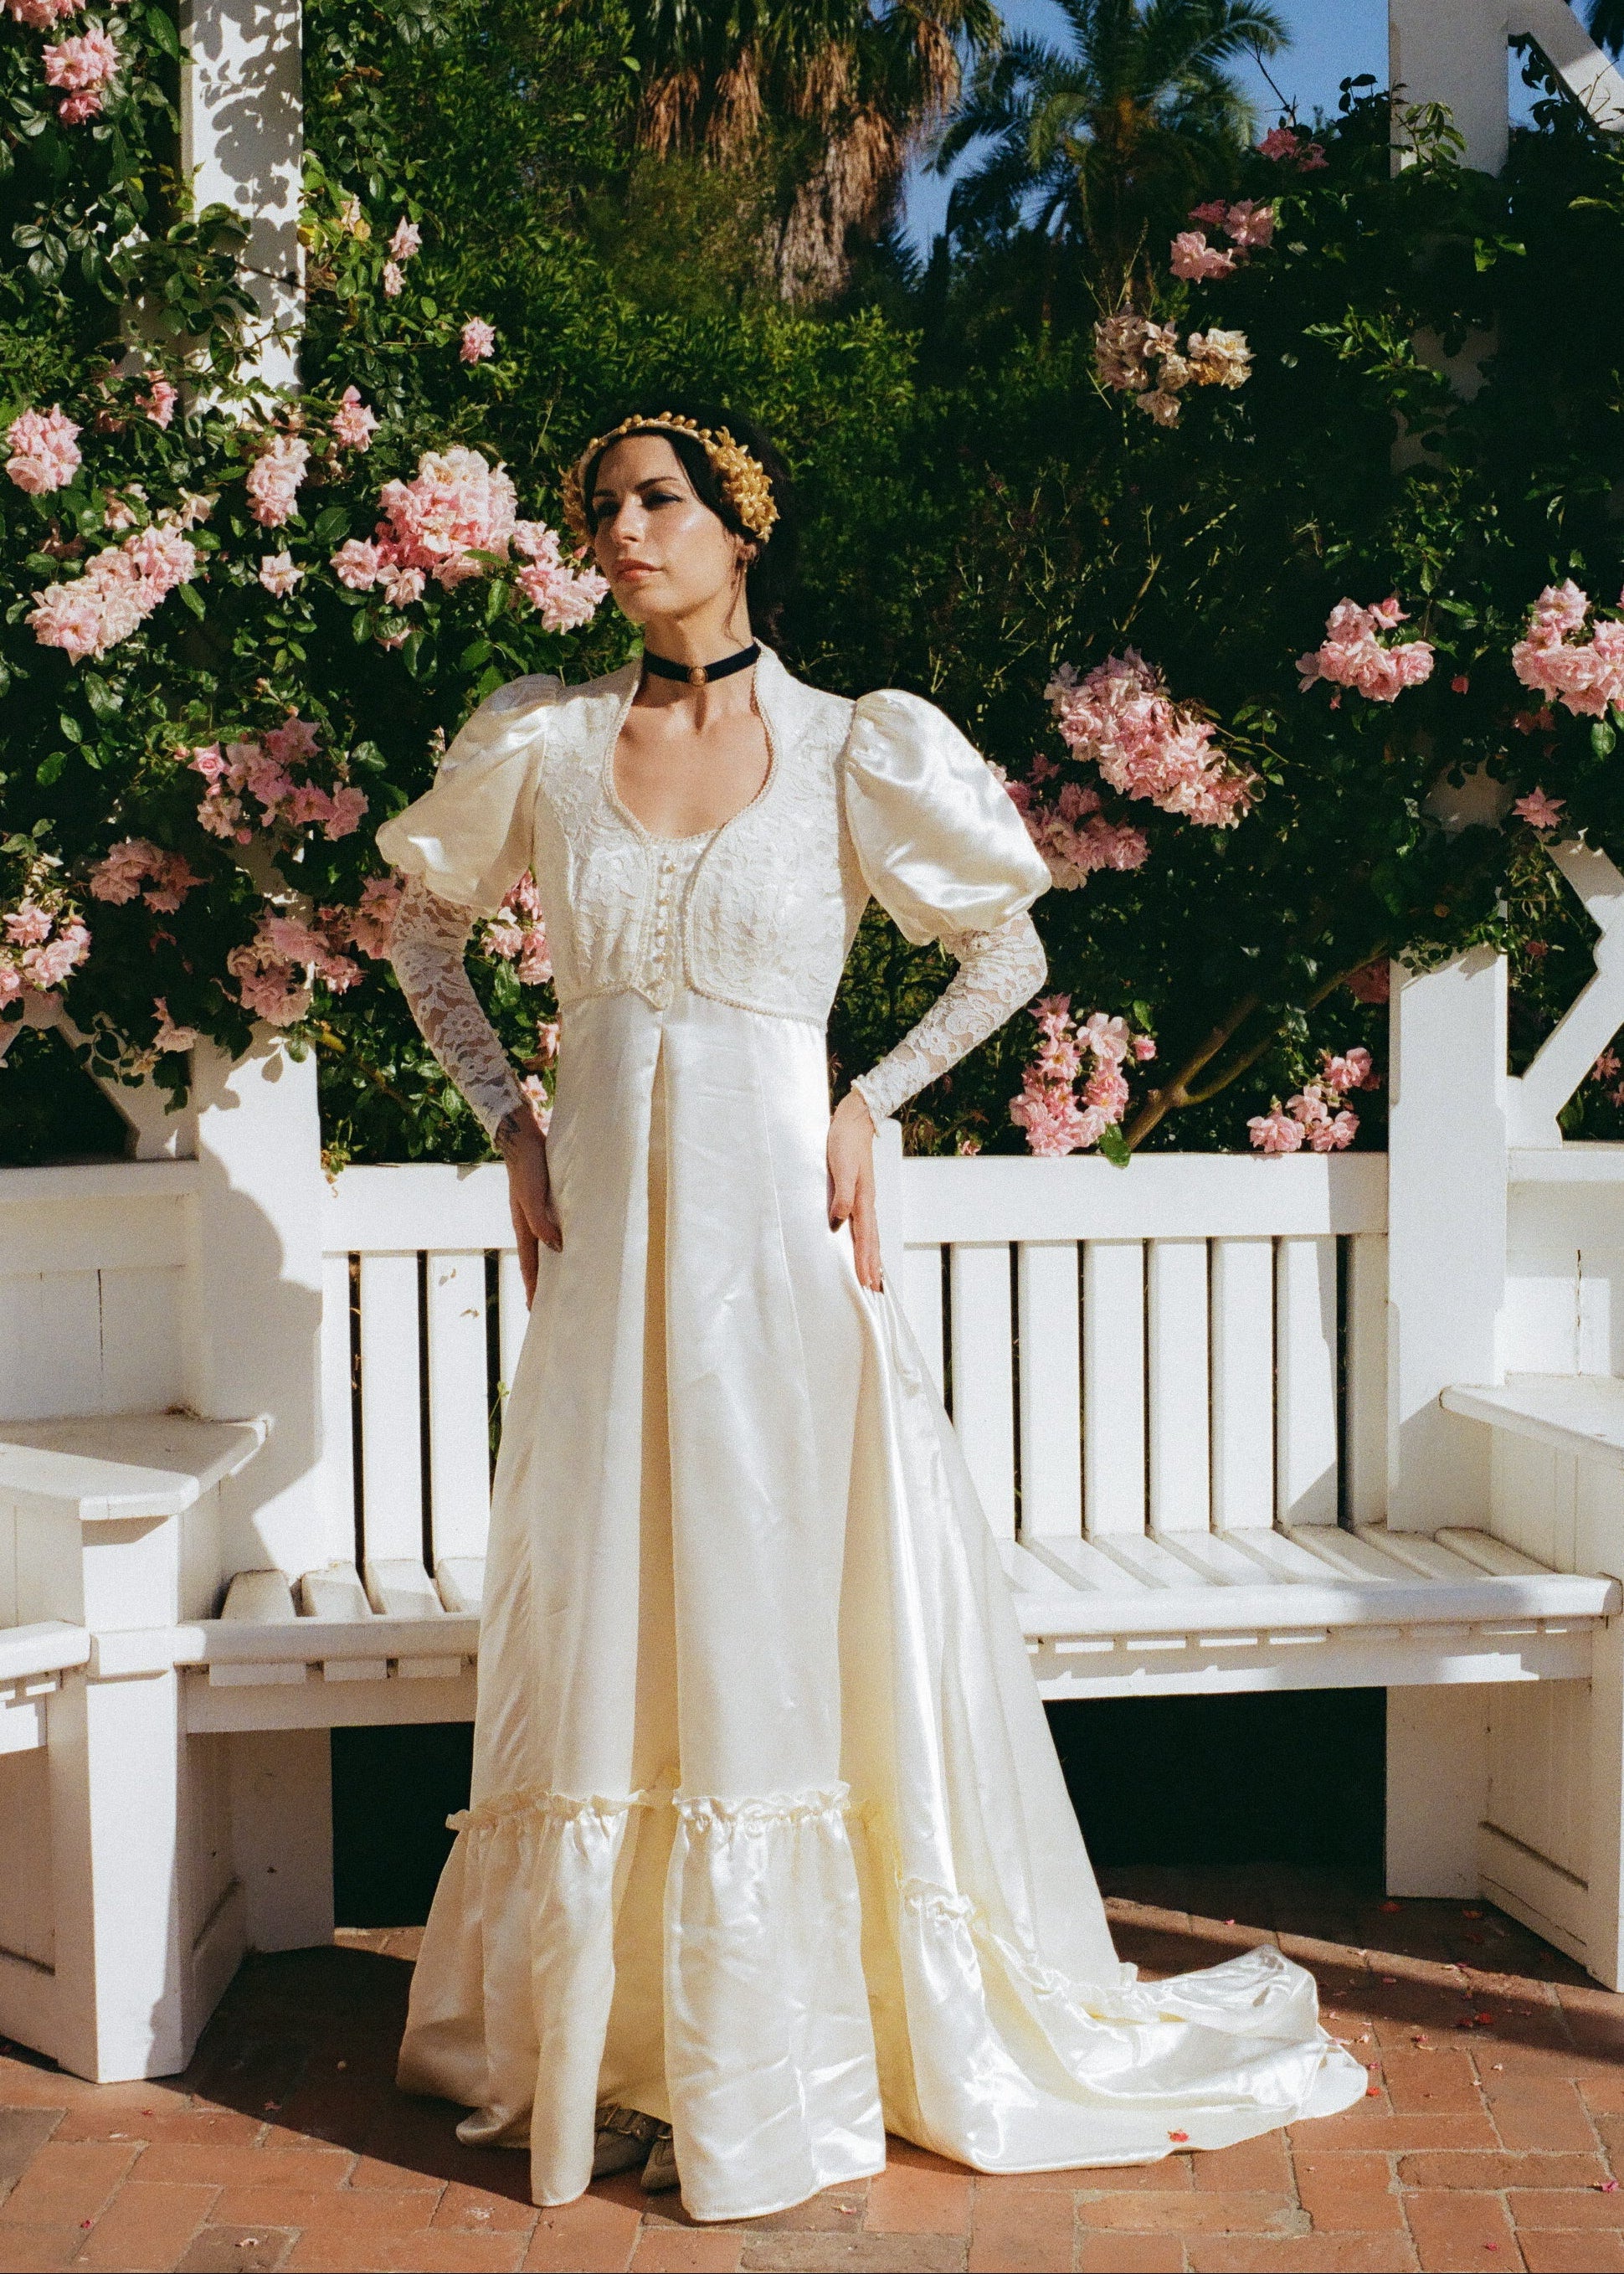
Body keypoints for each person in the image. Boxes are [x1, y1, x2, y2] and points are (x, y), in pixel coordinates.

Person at [376, 404, 1367, 2225]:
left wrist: (871, 1095)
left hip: (769, 1246)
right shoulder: (546, 738)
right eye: (600, 508)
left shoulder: (851, 746)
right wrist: (511, 1116)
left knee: (764, 1598)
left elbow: (1011, 942)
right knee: (607, 1602)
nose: (622, 532)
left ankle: (766, 2048)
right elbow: (420, 930)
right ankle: (616, 2038)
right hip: (605, 1252)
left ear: (739, 524)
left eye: (657, 500)